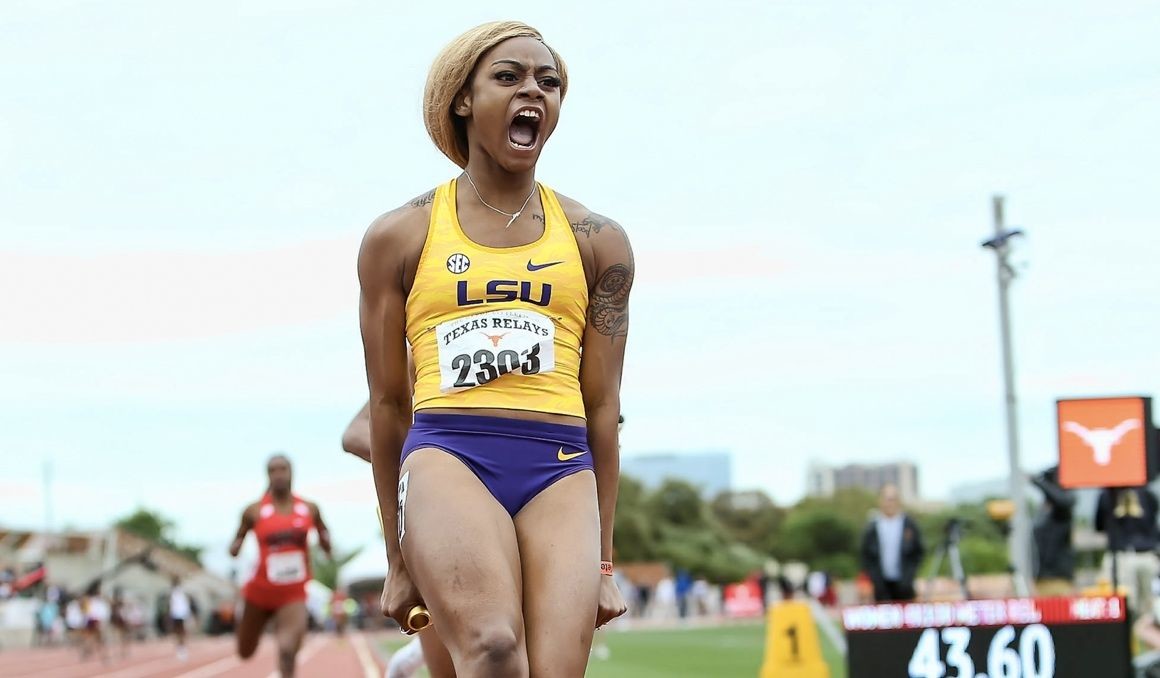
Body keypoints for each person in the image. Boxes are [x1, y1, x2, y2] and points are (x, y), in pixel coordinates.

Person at [357, 20, 631, 677]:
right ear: (463, 99)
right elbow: (387, 404)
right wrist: (396, 560)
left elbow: (604, 407)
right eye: (508, 77)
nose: (532, 90)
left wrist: (604, 564)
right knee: (494, 647)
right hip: (451, 453)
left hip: (559, 464)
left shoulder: (598, 241)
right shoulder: (400, 236)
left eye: (548, 82)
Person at [230, 454, 332, 677]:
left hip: (292, 592)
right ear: (267, 475)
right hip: (260, 590)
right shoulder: (253, 511)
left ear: (291, 472)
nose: (278, 474)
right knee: (244, 651)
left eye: (282, 469)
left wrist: (326, 544)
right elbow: (236, 542)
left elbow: (324, 532)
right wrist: (236, 546)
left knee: (287, 651)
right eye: (273, 470)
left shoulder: (309, 508)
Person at [1095, 485, 1160, 615]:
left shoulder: (1146, 494)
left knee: (1149, 605)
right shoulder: (1108, 495)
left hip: (1140, 554)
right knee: (1125, 605)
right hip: (1124, 554)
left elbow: (1099, 525)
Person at [860, 484, 925, 602]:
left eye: (893, 499)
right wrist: (874, 578)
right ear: (880, 500)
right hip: (881, 586)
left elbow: (918, 552)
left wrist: (910, 575)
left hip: (904, 585)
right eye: (887, 499)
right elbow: (866, 555)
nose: (890, 503)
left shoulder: (909, 525)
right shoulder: (872, 526)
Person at [1029, 466, 1075, 596]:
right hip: (1041, 578)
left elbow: (1063, 500)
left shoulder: (1064, 507)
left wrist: (1039, 483)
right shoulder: (1043, 511)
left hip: (1059, 578)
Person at [168, 576, 194, 661]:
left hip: (180, 614)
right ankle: (181, 648)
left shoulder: (179, 592)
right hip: (178, 614)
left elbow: (180, 604)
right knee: (179, 632)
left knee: (180, 632)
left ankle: (182, 648)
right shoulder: (175, 592)